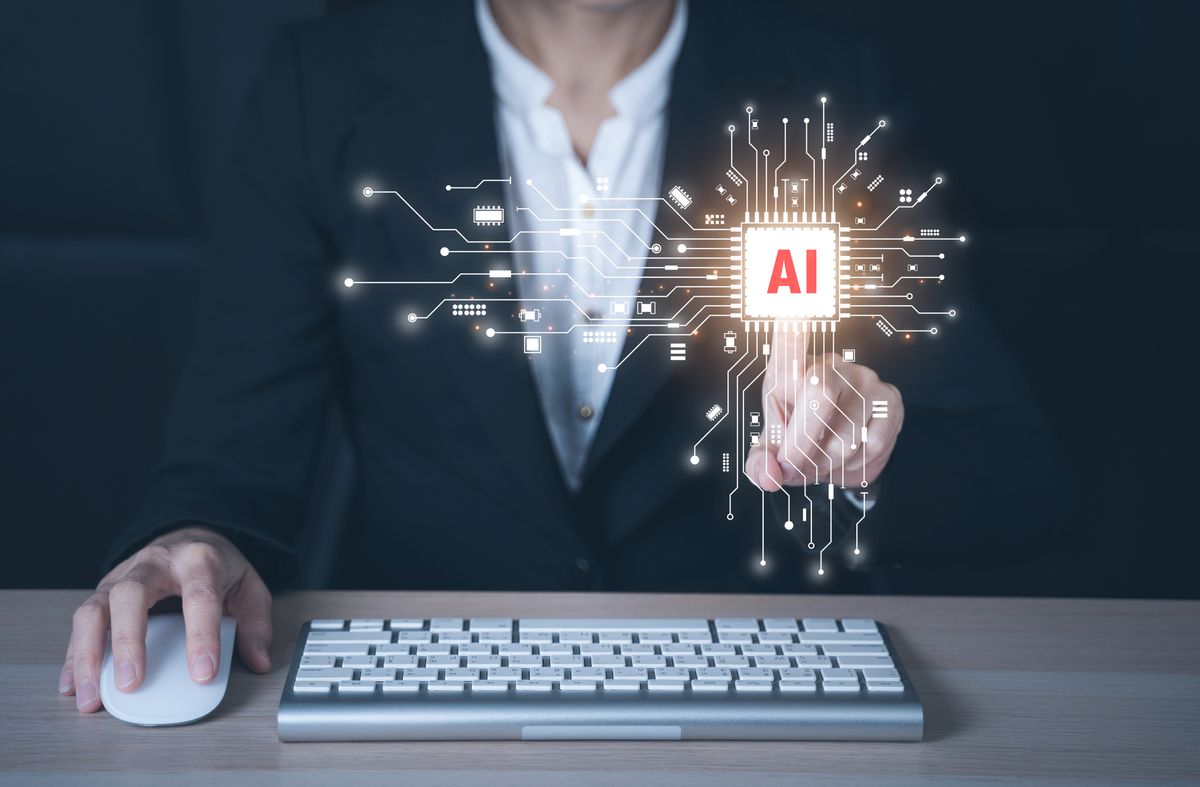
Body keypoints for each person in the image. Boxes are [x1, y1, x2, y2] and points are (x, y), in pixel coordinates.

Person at [59, 0, 1067, 713]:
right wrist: (191, 537)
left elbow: (1013, 473)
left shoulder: (825, 84)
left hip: (753, 693)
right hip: (428, 684)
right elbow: (231, 457)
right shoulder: (315, 87)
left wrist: (869, 454)